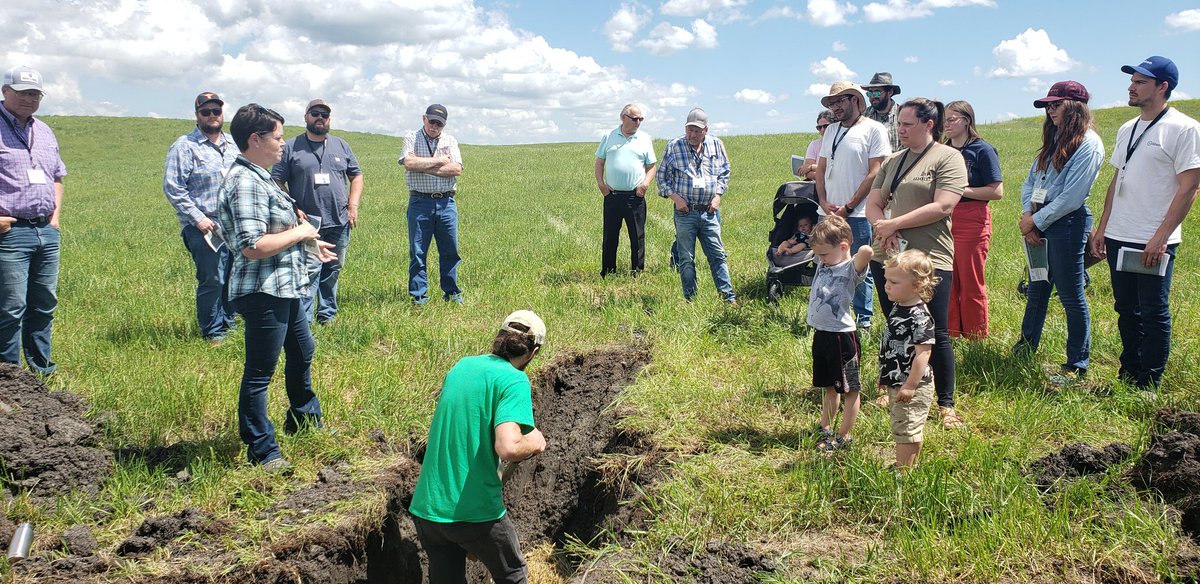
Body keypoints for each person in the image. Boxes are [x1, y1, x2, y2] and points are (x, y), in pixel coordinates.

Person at [217, 104, 337, 470]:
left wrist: (309, 244)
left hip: (284, 287)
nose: (284, 144)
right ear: (256, 139)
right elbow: (253, 246)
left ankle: (304, 420)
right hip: (262, 290)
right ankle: (262, 449)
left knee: (303, 350)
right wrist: (302, 231)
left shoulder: (262, 176)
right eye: (278, 137)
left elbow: (274, 229)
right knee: (259, 371)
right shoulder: (245, 182)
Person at [409, 310, 548, 584]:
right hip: (474, 512)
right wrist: (533, 441)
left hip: (428, 510)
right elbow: (508, 446)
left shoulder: (461, 366)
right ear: (533, 352)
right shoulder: (514, 379)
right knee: (513, 574)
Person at [1092, 56, 1200, 393]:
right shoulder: (1127, 128)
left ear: (1162, 86)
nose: (1131, 87)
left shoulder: (1184, 128)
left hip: (1152, 239)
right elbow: (1117, 179)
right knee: (1126, 308)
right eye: (1133, 81)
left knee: (1153, 310)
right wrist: (1102, 228)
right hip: (1119, 234)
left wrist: (1161, 237)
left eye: (1140, 82)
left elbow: (1189, 187)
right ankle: (1129, 373)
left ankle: (1149, 382)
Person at [865, 97, 967, 429]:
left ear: (929, 124)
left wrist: (896, 224)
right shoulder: (893, 160)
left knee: (935, 330)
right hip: (888, 256)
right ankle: (891, 385)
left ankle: (946, 403)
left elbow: (943, 206)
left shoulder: (948, 157)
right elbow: (874, 203)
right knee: (894, 325)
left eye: (908, 124)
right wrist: (883, 226)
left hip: (930, 259)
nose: (901, 130)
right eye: (899, 124)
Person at [1014, 81, 1104, 386]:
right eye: (1048, 106)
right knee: (1037, 289)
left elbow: (1071, 198)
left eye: (1056, 104)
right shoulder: (1054, 141)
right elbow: (1030, 182)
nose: (1050, 110)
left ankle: (1077, 364)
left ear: (1075, 107)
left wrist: (1035, 220)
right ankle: (1024, 349)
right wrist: (1029, 216)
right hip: (1040, 222)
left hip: (1067, 224)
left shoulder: (1088, 144)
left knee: (1070, 295)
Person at [271, 99, 364, 325]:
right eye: (315, 113)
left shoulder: (341, 145)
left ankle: (327, 314)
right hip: (307, 224)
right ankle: (304, 320)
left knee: (333, 269)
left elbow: (357, 175)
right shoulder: (292, 146)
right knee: (309, 270)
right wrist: (294, 207)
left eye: (325, 114)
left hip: (339, 219)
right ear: (306, 117)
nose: (320, 118)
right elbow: (276, 180)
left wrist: (353, 206)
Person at [0, 65, 66, 376]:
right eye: (23, 92)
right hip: (9, 233)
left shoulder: (44, 130)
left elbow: (57, 176)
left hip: (46, 231)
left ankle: (41, 372)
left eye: (35, 94)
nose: (30, 99)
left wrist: (55, 218)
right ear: (5, 91)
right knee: (11, 307)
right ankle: (9, 377)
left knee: (44, 304)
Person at [163, 91, 239, 344]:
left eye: (216, 111)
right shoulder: (184, 146)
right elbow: (173, 188)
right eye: (206, 112)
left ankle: (229, 323)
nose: (212, 116)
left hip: (232, 225)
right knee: (213, 278)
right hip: (203, 227)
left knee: (232, 275)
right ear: (197, 115)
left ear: (222, 113)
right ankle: (213, 331)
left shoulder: (233, 145)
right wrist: (198, 219)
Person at [815, 81, 891, 328]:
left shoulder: (874, 129)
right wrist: (823, 201)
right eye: (832, 103)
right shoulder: (831, 131)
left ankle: (864, 319)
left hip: (857, 213)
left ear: (855, 101)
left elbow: (875, 171)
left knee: (859, 266)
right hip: (827, 212)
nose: (835, 107)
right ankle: (827, 312)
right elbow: (822, 168)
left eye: (840, 101)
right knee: (826, 263)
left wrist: (849, 206)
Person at [806, 216, 874, 452]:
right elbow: (821, 246)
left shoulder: (850, 268)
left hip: (842, 338)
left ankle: (844, 436)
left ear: (843, 247)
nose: (820, 259)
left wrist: (851, 248)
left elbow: (866, 251)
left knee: (849, 389)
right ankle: (825, 426)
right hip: (822, 334)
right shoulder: (824, 262)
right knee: (828, 386)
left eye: (824, 254)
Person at [657, 107, 736, 304]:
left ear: (705, 130)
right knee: (686, 258)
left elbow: (725, 172)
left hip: (709, 211)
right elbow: (661, 177)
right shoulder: (674, 146)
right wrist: (677, 199)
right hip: (685, 212)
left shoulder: (716, 145)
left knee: (718, 255)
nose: (692, 134)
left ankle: (728, 298)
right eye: (689, 130)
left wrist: (718, 196)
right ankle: (691, 299)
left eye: (697, 131)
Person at [943, 100, 1004, 339]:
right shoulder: (943, 150)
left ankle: (976, 335)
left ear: (967, 121)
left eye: (952, 119)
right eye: (944, 120)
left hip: (972, 217)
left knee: (970, 281)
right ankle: (950, 333)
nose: (946, 124)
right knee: (947, 279)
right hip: (944, 217)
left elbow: (996, 191)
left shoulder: (982, 150)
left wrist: (960, 190)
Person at [877, 250, 938, 468]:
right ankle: (907, 465)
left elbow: (923, 353)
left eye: (894, 281)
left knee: (907, 427)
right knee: (901, 423)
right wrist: (884, 375)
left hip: (913, 383)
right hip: (897, 379)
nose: (886, 286)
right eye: (886, 280)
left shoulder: (920, 316)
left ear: (917, 285)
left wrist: (911, 385)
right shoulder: (898, 307)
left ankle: (904, 472)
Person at [401, 104, 463, 305]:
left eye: (439, 124)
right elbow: (409, 164)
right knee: (418, 252)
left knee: (450, 251)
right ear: (423, 119)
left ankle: (452, 294)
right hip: (420, 202)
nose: (434, 126)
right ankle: (419, 297)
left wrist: (423, 166)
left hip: (446, 202)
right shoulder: (412, 138)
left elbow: (456, 169)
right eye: (432, 121)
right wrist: (439, 161)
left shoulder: (450, 140)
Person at [595, 103, 657, 277]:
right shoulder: (609, 136)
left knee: (637, 237)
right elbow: (600, 162)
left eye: (641, 119)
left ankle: (637, 272)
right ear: (623, 118)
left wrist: (645, 184)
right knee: (609, 236)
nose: (638, 122)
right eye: (635, 118)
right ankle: (608, 272)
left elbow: (651, 165)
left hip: (635, 196)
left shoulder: (644, 138)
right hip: (612, 195)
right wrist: (601, 184)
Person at [864, 72, 902, 152]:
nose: (873, 96)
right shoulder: (863, 116)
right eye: (870, 93)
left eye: (877, 92)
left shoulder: (902, 115)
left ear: (890, 93)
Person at [800, 110, 835, 181]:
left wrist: (812, 167)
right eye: (819, 127)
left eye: (826, 126)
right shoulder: (814, 145)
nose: (822, 130)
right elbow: (808, 173)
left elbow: (836, 171)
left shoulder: (841, 144)